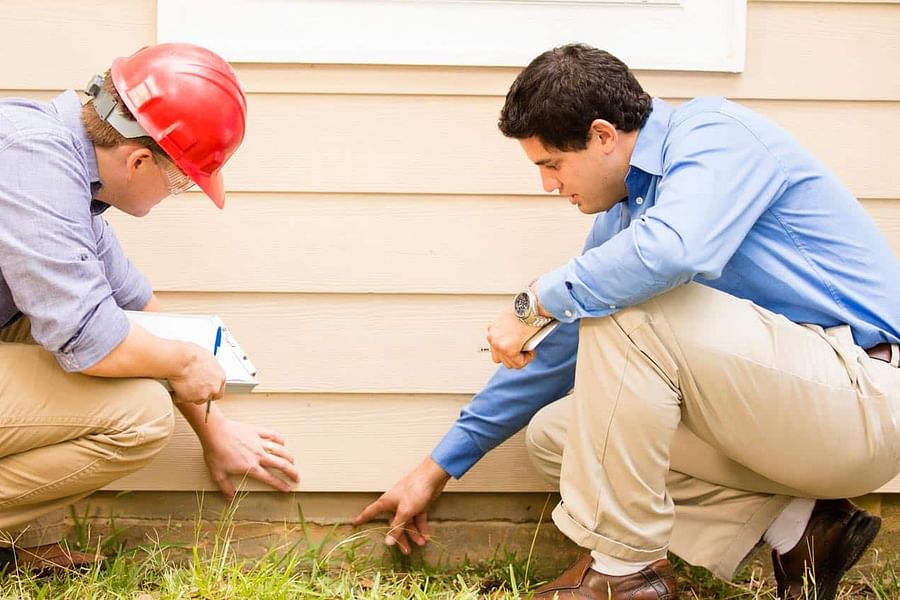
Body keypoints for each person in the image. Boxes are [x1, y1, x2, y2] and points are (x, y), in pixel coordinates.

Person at [354, 43, 900, 600]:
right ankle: (802, 527)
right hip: (789, 418)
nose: (548, 185)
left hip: (864, 396)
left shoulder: (715, 135)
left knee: (627, 306)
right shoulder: (623, 222)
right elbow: (559, 354)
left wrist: (535, 298)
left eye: (551, 164)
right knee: (556, 436)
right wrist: (437, 466)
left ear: (603, 136)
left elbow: (675, 252)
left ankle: (624, 575)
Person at [0, 43, 299, 573]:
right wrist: (184, 365)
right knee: (139, 415)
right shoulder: (34, 163)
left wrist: (215, 428)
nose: (178, 192)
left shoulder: (67, 167)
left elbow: (140, 312)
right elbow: (89, 338)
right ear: (138, 160)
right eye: (182, 179)